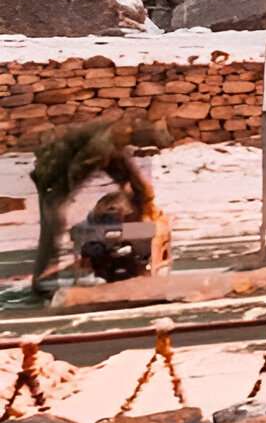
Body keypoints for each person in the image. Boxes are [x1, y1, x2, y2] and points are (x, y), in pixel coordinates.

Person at [27, 120, 167, 298]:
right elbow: (73, 174)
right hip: (51, 178)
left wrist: (144, 203)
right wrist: (64, 200)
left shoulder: (113, 143)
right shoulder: (100, 146)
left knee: (137, 201)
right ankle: (41, 283)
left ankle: (135, 264)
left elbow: (129, 177)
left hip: (64, 170)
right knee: (53, 226)